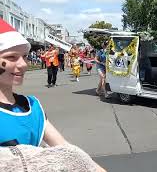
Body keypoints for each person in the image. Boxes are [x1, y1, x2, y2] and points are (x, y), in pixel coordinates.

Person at [0, 19, 106, 172]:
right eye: (12, 57)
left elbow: (67, 151)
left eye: (24, 56)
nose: (23, 64)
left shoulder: (32, 106)